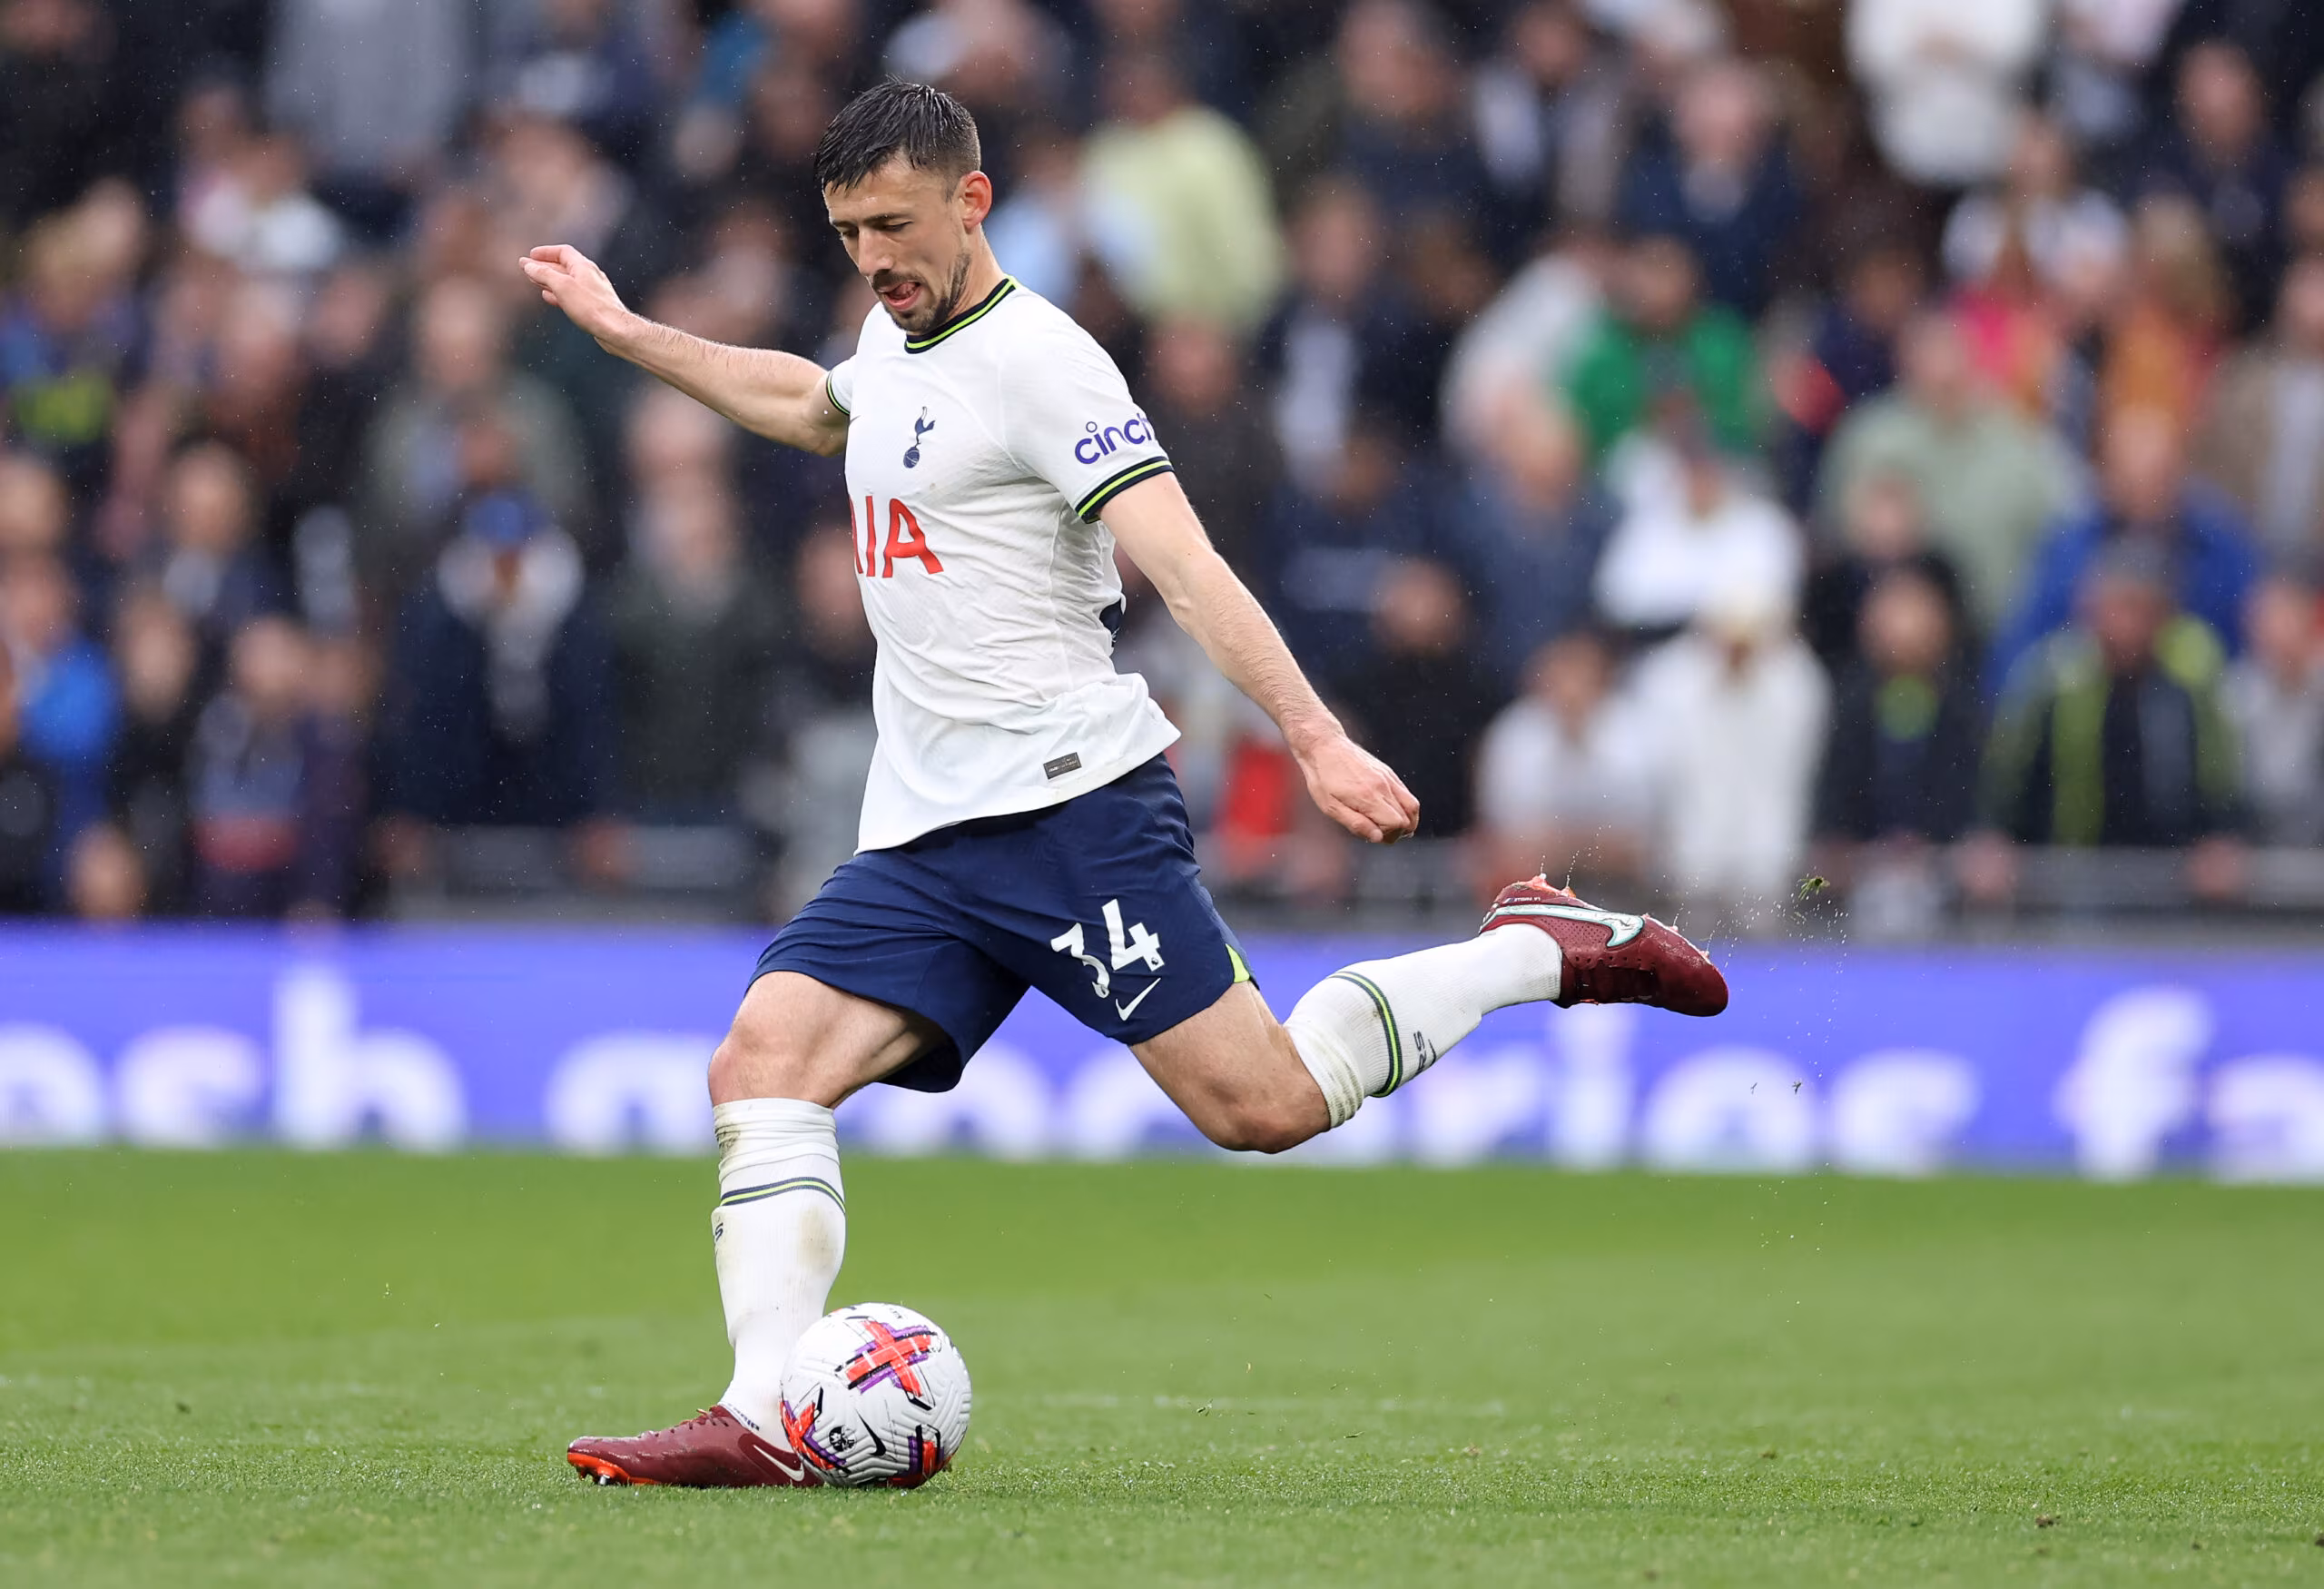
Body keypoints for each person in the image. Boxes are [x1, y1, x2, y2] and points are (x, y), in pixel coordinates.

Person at [522, 81, 1728, 1488]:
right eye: (850, 232)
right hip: (924, 833)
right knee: (762, 1063)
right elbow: (815, 403)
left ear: (975, 202)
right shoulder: (890, 331)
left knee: (1262, 1106)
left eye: (897, 227)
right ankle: (763, 1409)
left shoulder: (1049, 363)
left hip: (1072, 810)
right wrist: (626, 332)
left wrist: (1314, 734)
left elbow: (1185, 563)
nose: (874, 259)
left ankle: (1531, 948)